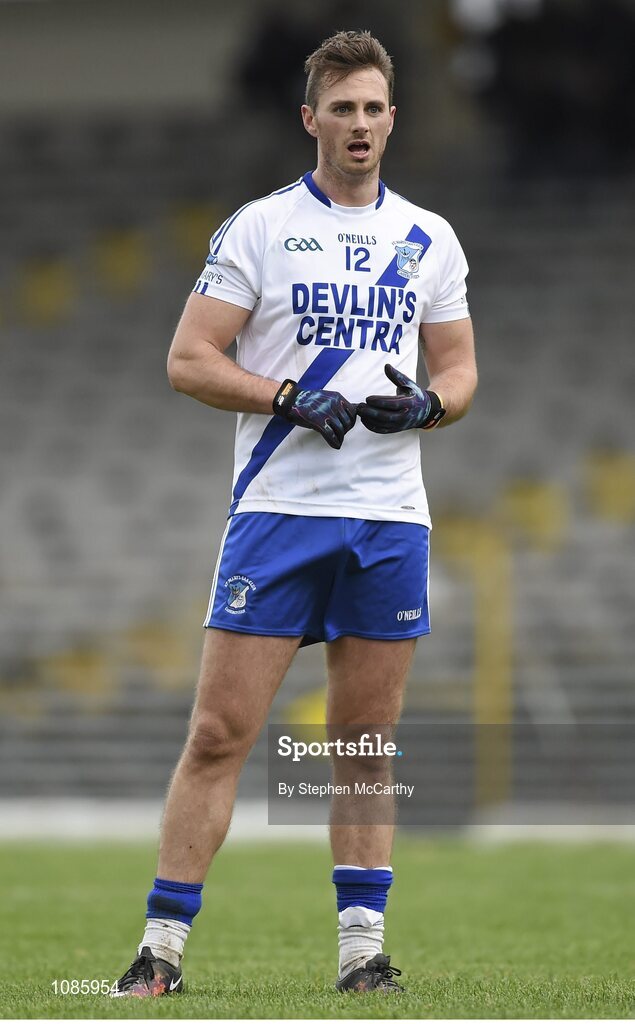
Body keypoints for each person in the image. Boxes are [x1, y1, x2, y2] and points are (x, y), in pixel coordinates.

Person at [111, 29, 477, 997]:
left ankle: (363, 957)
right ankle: (159, 954)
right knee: (220, 733)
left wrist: (430, 406)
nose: (358, 125)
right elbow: (188, 360)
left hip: (389, 516)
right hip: (280, 509)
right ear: (308, 118)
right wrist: (280, 395)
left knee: (361, 746)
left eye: (373, 109)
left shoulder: (428, 237)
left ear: (392, 120)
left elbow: (461, 370)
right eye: (341, 108)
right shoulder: (260, 228)